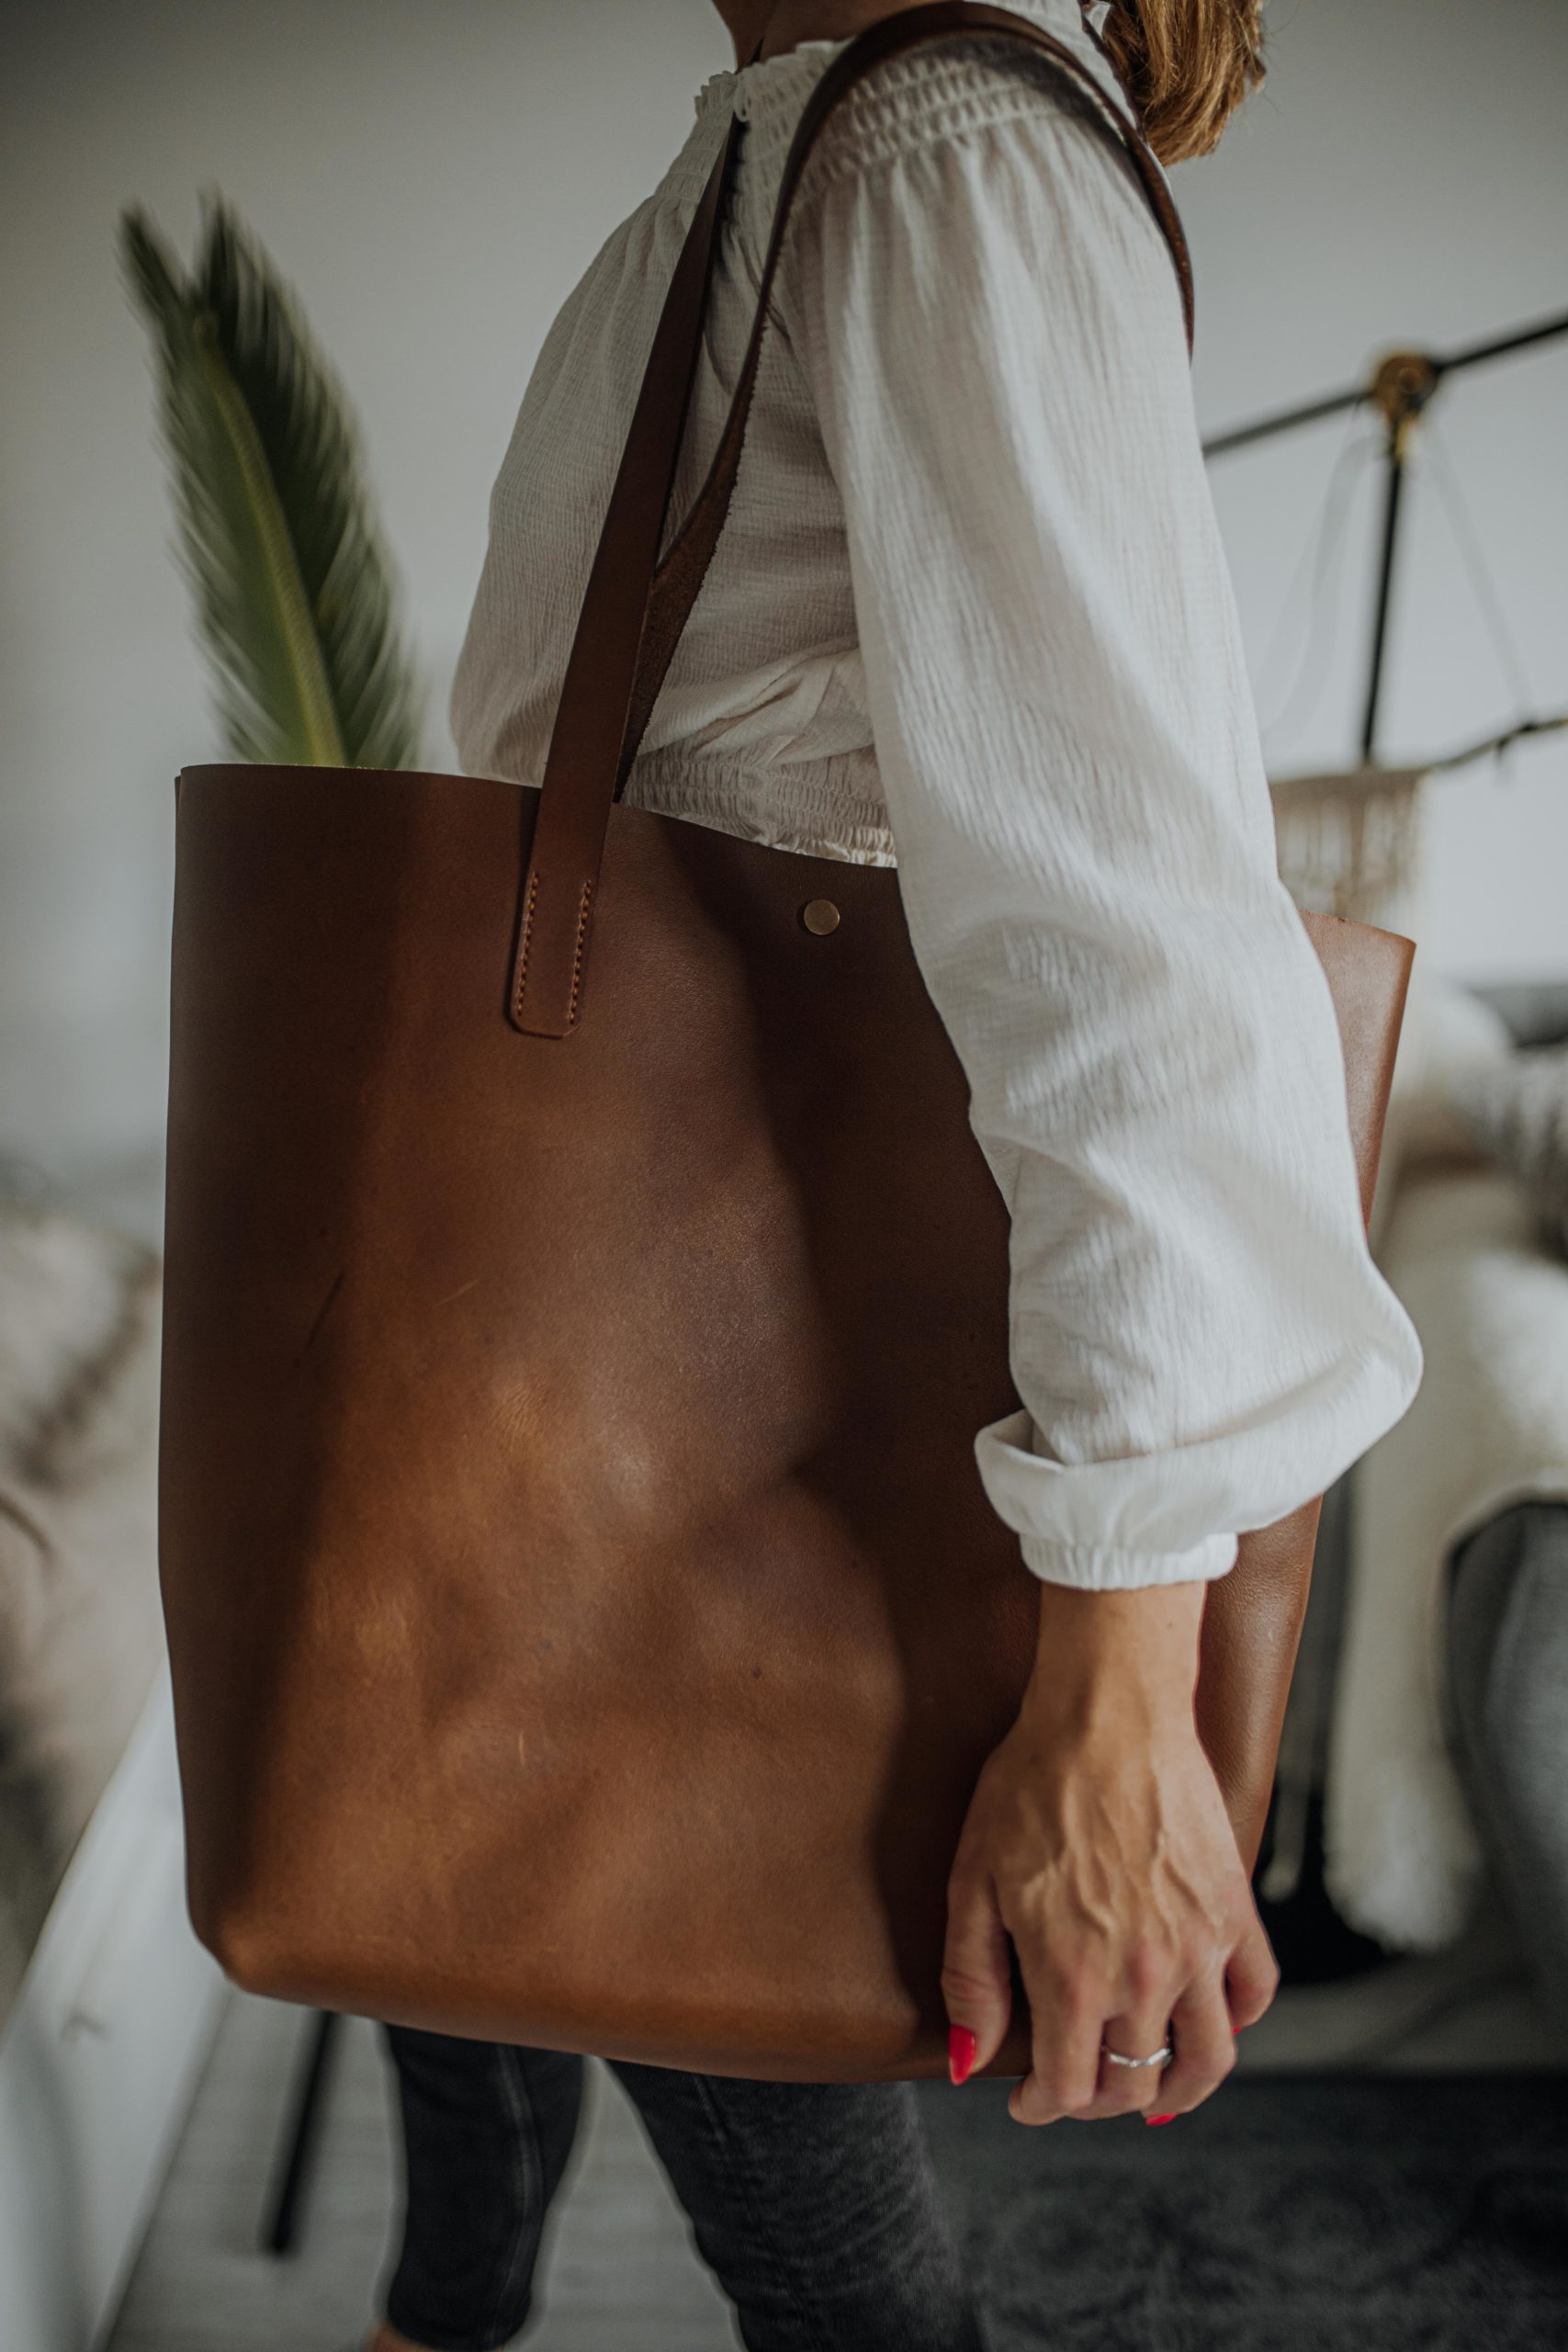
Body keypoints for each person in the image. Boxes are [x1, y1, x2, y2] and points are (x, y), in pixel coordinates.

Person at [366, 4, 1424, 2346]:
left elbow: (1127, 947)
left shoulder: (938, 148)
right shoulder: (788, 147)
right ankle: (440, 2307)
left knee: (833, 2274)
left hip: (734, 1447)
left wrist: (1119, 1671)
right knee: (435, 1884)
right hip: (604, 1363)